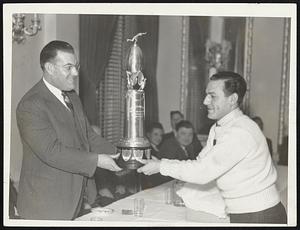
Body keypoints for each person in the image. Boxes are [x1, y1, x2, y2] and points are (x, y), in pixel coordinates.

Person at [138, 71, 287, 224]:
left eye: (212, 96)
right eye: (206, 95)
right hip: (244, 212)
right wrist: (159, 163)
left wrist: (161, 166)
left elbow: (202, 172)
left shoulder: (239, 131)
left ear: (233, 99)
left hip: (258, 214)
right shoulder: (219, 127)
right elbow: (200, 162)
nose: (205, 101)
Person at [16, 40, 122, 220]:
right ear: (49, 68)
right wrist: (97, 160)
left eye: (76, 66)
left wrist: (121, 154)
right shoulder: (31, 104)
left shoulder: (72, 96)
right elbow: (51, 152)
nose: (75, 73)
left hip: (74, 199)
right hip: (45, 204)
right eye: (68, 67)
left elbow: (87, 135)